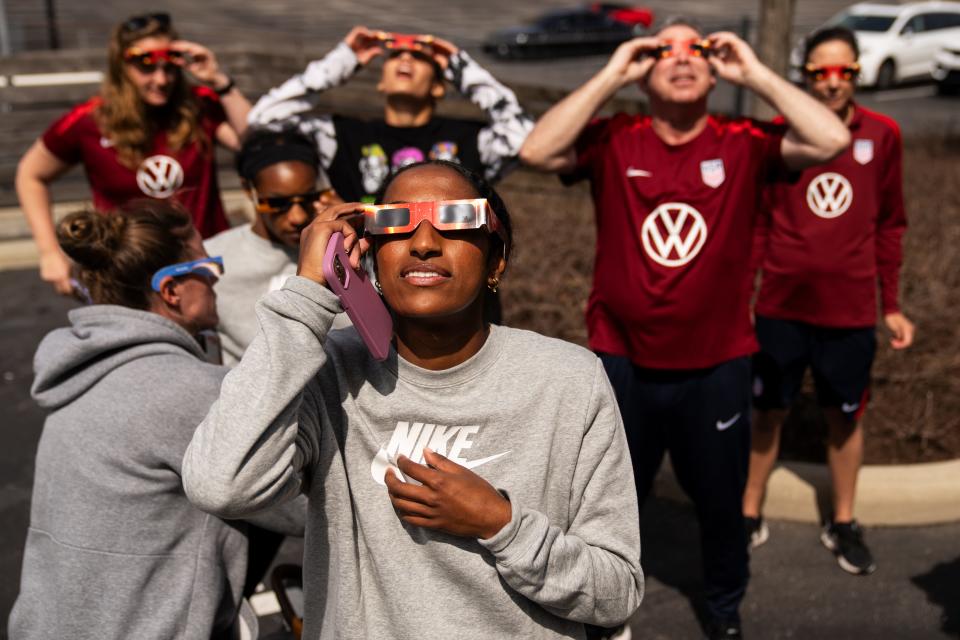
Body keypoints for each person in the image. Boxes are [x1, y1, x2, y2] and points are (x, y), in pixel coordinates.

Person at [182, 161, 644, 639]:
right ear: (369, 255)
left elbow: (616, 591)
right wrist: (304, 300)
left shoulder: (569, 379)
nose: (424, 243)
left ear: (496, 260)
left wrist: (501, 524)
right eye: (395, 222)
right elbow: (220, 484)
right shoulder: (326, 371)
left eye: (456, 221)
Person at [519, 17, 849, 639]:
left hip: (717, 363)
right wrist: (615, 70)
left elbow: (831, 139)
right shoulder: (616, 137)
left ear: (715, 69)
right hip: (621, 358)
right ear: (643, 73)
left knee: (722, 506)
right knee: (606, 506)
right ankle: (604, 608)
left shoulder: (743, 138)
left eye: (696, 49)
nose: (681, 58)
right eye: (663, 50)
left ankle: (725, 612)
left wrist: (753, 73)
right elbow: (535, 152)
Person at [8, 200, 304, 639]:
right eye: (209, 266)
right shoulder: (185, 390)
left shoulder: (84, 370)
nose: (217, 281)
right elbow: (295, 506)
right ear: (172, 291)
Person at [742, 26, 914, 575]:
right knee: (767, 413)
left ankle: (843, 521)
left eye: (844, 71)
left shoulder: (883, 135)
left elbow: (891, 223)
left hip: (850, 311)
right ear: (806, 75)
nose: (833, 82)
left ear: (857, 74)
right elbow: (759, 223)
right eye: (820, 71)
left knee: (845, 418)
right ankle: (748, 513)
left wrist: (891, 303)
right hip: (781, 308)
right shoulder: (778, 135)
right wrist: (745, 294)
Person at [16, 12, 250, 296]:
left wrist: (220, 81)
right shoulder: (89, 121)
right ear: (121, 66)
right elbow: (31, 174)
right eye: (146, 67)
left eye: (169, 67)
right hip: (126, 276)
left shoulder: (197, 106)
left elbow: (252, 142)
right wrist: (48, 251)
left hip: (202, 268)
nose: (161, 79)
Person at [247, 26, 533, 203]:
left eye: (420, 57)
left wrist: (462, 69)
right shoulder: (342, 135)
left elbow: (525, 140)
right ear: (381, 81)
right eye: (395, 55)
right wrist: (342, 61)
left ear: (438, 86)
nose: (406, 58)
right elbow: (265, 118)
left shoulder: (469, 138)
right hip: (361, 281)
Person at [205, 127, 345, 366]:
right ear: (249, 189)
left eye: (308, 198)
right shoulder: (213, 258)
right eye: (279, 203)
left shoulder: (343, 248)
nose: (297, 216)